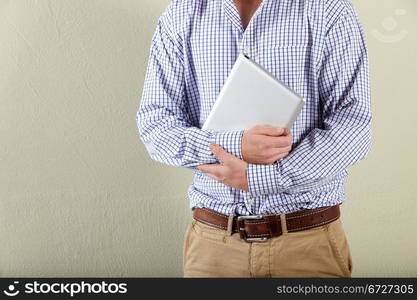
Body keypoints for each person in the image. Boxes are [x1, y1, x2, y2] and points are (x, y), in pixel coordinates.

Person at [136, 0, 371, 278]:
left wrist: (260, 178)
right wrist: (237, 145)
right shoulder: (182, 13)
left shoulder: (328, 9)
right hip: (213, 248)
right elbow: (156, 124)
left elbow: (354, 123)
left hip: (307, 245)